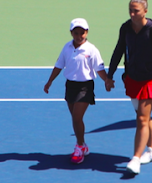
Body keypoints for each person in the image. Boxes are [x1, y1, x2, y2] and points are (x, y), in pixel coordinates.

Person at [106, 0, 152, 175]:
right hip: (133, 77)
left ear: (145, 11)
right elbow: (119, 50)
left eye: (136, 10)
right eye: (130, 9)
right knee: (143, 115)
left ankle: (135, 159)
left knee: (141, 120)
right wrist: (110, 75)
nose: (132, 13)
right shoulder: (125, 28)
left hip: (151, 79)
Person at [44, 18, 111, 164]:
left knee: (76, 117)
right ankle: (83, 145)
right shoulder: (66, 48)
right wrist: (50, 81)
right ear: (71, 33)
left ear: (87, 33)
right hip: (70, 86)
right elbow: (59, 65)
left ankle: (79, 147)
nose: (79, 36)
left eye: (82, 33)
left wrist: (106, 80)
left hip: (85, 87)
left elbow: (99, 68)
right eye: (76, 33)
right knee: (76, 120)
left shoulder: (92, 49)